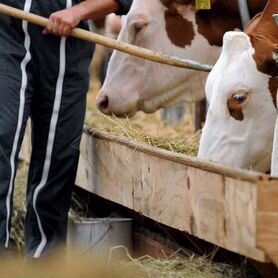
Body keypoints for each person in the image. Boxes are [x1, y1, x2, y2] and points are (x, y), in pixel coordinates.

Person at [0, 0, 132, 259]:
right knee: (1, 139)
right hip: (6, 38)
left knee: (57, 160)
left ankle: (44, 263)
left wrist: (77, 12)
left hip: (66, 48)